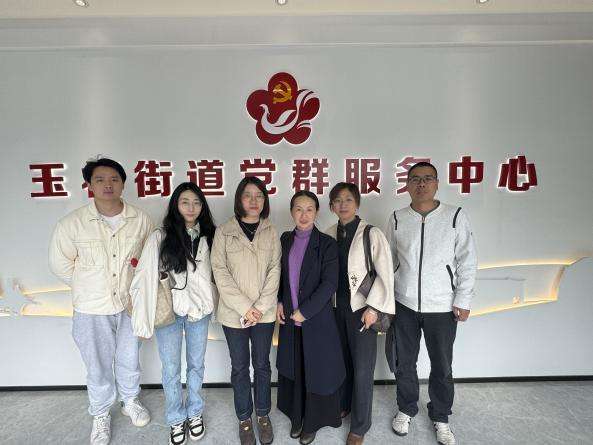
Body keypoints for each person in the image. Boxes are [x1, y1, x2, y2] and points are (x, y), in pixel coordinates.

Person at [48, 157, 153, 445]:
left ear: (123, 184)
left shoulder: (141, 219)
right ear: (89, 185)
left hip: (130, 305)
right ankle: (101, 413)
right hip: (91, 308)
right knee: (97, 365)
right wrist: (89, 286)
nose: (108, 185)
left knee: (129, 358)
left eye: (114, 179)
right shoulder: (72, 224)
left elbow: (148, 260)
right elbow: (61, 265)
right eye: (100, 180)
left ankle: (130, 401)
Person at [386, 162, 477, 445]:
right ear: (407, 185)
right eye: (415, 179)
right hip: (404, 304)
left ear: (437, 183)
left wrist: (463, 298)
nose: (421, 184)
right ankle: (406, 408)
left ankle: (441, 415)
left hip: (442, 306)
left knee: (442, 365)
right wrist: (387, 300)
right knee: (404, 362)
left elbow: (467, 260)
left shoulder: (455, 216)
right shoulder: (397, 218)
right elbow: (388, 261)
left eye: (427, 179)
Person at [129, 182, 218, 445]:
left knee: (196, 365)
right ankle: (176, 418)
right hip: (169, 311)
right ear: (175, 205)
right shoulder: (160, 237)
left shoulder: (211, 236)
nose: (191, 208)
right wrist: (142, 317)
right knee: (170, 368)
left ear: (202, 207)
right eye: (185, 202)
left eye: (196, 203)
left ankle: (195, 412)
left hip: (199, 311)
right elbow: (145, 276)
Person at [210, 177, 281, 445]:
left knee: (262, 365)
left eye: (259, 196)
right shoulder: (224, 231)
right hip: (233, 314)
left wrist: (258, 308)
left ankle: (262, 415)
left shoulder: (271, 230)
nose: (253, 201)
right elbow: (220, 272)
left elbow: (275, 270)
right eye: (248, 195)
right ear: (239, 199)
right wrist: (245, 307)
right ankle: (244, 419)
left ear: (265, 201)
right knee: (240, 367)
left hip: (264, 314)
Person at [326, 182, 395, 445]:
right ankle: (344, 405)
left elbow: (385, 273)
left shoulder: (370, 233)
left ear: (357, 203)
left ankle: (360, 426)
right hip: (335, 309)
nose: (343, 204)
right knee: (341, 363)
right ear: (331, 206)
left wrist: (374, 308)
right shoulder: (328, 233)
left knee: (363, 370)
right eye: (337, 200)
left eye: (348, 199)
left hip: (363, 311)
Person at [276, 191, 345, 445]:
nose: (303, 215)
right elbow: (279, 276)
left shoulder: (327, 244)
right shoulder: (285, 239)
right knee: (295, 368)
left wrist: (305, 311)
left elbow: (329, 284)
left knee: (317, 371)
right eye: (298, 209)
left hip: (316, 320)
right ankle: (297, 417)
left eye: (309, 209)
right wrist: (279, 301)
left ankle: (312, 423)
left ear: (316, 212)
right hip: (290, 321)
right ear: (291, 212)